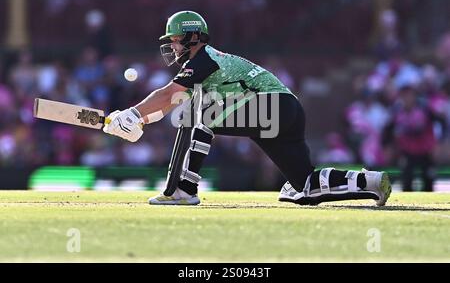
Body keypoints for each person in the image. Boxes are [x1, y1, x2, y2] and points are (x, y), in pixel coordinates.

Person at [103, 11, 391, 206]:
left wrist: (133, 114)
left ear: (192, 37)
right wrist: (139, 121)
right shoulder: (206, 62)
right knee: (304, 187)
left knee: (199, 114)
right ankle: (371, 181)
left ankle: (183, 190)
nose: (173, 47)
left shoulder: (203, 59)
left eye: (176, 40)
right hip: (286, 109)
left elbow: (169, 94)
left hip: (273, 107)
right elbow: (170, 101)